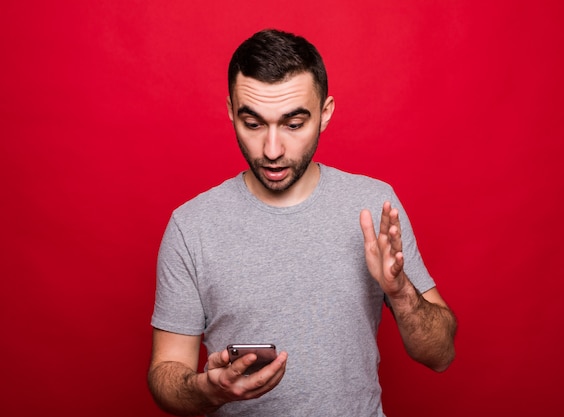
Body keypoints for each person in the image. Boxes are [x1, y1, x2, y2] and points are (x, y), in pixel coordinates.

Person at [148, 28, 457, 417]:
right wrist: (205, 389)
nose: (272, 150)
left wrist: (400, 292)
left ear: (325, 113)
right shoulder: (190, 227)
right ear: (230, 111)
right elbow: (165, 375)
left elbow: (441, 355)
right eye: (254, 123)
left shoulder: (373, 205)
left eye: (293, 124)